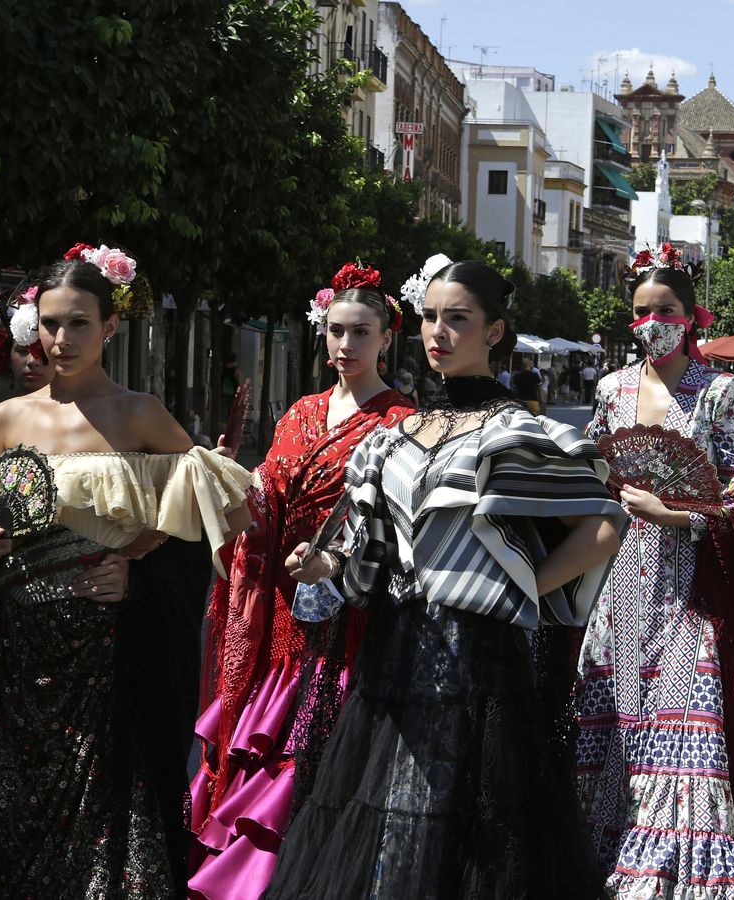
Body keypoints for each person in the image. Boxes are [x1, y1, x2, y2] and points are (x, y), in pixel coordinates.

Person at [262, 258, 626, 899]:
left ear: (494, 331)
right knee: (388, 820)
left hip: (480, 660)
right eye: (431, 318)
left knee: (473, 831)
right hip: (391, 655)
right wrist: (323, 565)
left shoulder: (516, 432)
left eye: (458, 319)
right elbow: (365, 554)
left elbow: (603, 524)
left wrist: (512, 589)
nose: (439, 333)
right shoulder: (395, 436)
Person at [0, 244, 254, 898]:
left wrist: (137, 563)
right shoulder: (6, 417)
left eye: (78, 322)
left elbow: (219, 499)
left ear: (111, 326)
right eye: (50, 323)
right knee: (6, 811)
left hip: (106, 655)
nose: (61, 339)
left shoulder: (137, 413)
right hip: (14, 659)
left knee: (105, 817)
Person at [188, 263, 414, 899]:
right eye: (337, 331)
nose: (347, 346)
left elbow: (401, 529)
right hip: (285, 612)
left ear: (386, 338)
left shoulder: (401, 419)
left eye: (361, 332)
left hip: (353, 617)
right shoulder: (299, 413)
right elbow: (263, 512)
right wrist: (233, 491)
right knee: (270, 749)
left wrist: (336, 564)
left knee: (323, 754)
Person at [573, 245, 734, 898]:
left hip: (690, 593)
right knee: (618, 728)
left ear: (691, 317)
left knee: (691, 735)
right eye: (642, 311)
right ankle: (611, 863)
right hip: (621, 589)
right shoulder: (610, 391)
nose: (653, 320)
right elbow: (592, 478)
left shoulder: (721, 393)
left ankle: (678, 876)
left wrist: (676, 512)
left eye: (667, 310)